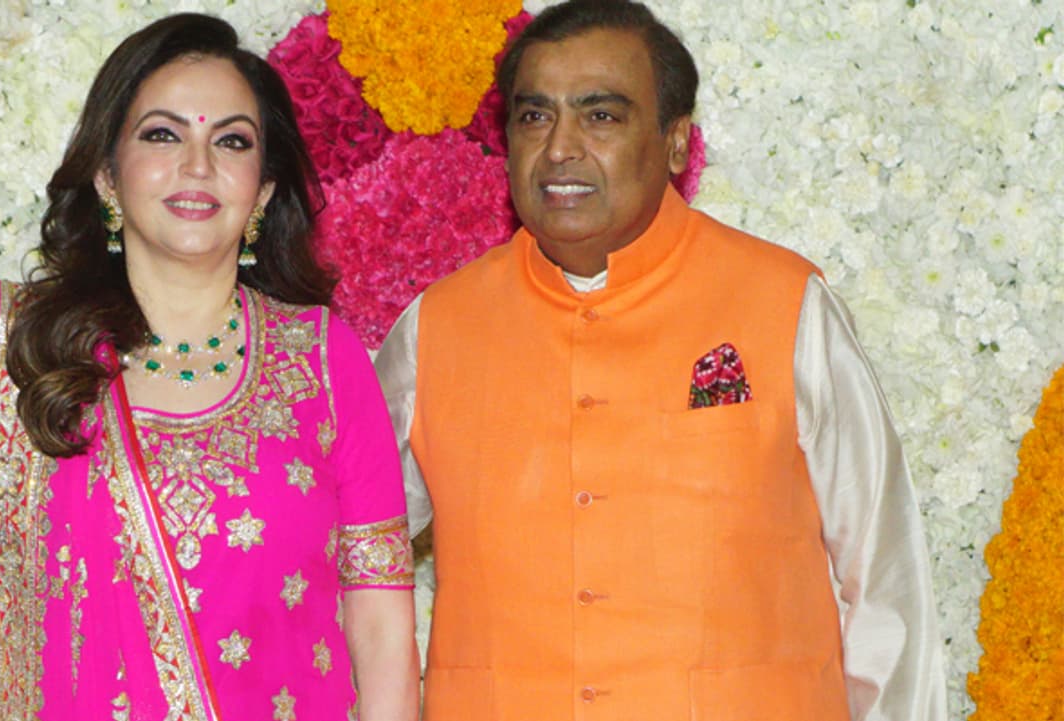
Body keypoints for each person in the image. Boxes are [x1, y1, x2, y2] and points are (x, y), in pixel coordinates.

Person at [374, 1, 946, 720]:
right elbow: (344, 559)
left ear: (676, 142)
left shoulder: (785, 305)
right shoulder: (437, 329)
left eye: (601, 116)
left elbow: (886, 582)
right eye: (535, 116)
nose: (560, 148)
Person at [0, 14, 418, 721]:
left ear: (262, 192)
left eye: (231, 141)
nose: (197, 165)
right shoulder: (31, 358)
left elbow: (382, 625)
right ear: (106, 176)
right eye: (162, 134)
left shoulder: (323, 360)